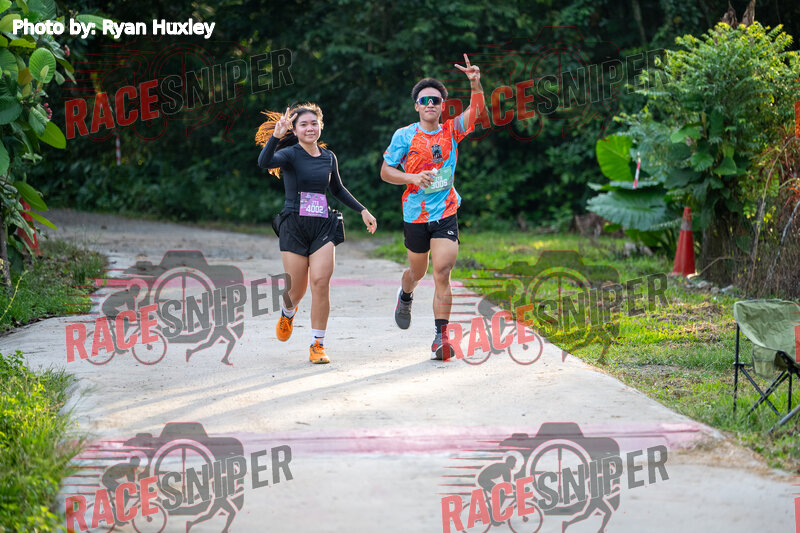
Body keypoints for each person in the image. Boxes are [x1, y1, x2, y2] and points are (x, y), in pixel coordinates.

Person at [380, 54, 485, 360]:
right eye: (424, 100)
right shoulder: (405, 135)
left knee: (442, 271)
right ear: (416, 106)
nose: (430, 104)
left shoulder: (452, 130)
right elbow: (386, 171)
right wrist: (412, 177)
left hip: (445, 211)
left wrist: (475, 83)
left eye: (435, 100)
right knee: (418, 271)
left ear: (442, 105)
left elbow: (477, 110)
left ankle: (441, 337)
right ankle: (405, 294)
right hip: (415, 214)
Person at [256, 103, 377, 364]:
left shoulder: (328, 157)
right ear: (295, 130)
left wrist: (363, 210)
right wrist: (276, 136)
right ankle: (288, 312)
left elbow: (338, 189)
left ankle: (317, 344)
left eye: (314, 123)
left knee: (321, 283)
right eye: (303, 124)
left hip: (323, 225)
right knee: (296, 291)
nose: (309, 128)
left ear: (321, 125)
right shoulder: (289, 154)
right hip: (294, 226)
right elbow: (264, 162)